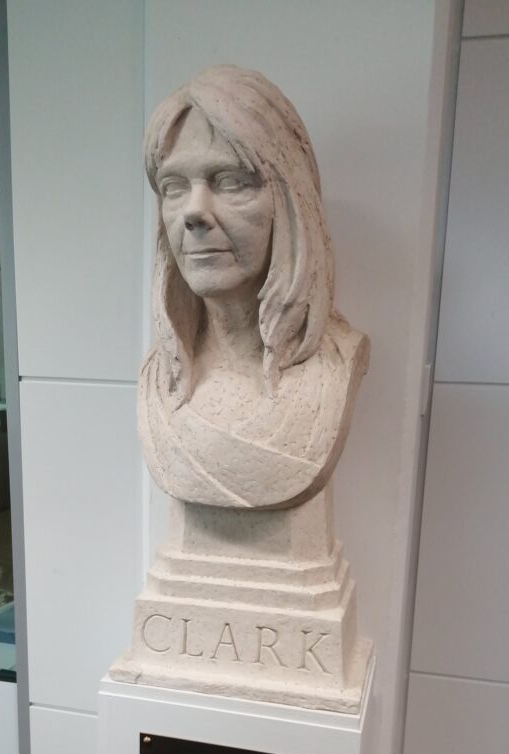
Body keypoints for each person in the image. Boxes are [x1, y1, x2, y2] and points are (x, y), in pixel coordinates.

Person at [139, 65, 369, 510]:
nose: (194, 212)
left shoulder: (338, 365)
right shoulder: (158, 378)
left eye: (231, 182)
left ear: (289, 201)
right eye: (173, 186)